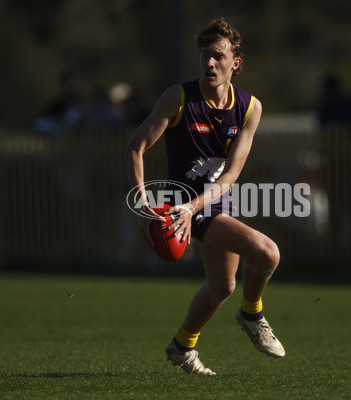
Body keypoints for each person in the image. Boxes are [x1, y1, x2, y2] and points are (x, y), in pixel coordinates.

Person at [125, 18, 285, 375]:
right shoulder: (178, 97)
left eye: (218, 56)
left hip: (210, 201)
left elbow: (231, 174)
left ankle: (182, 346)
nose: (209, 63)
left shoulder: (248, 108)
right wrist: (143, 203)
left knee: (222, 286)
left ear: (235, 63)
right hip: (181, 199)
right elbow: (135, 147)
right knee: (267, 253)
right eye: (204, 56)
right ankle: (252, 313)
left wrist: (194, 207)